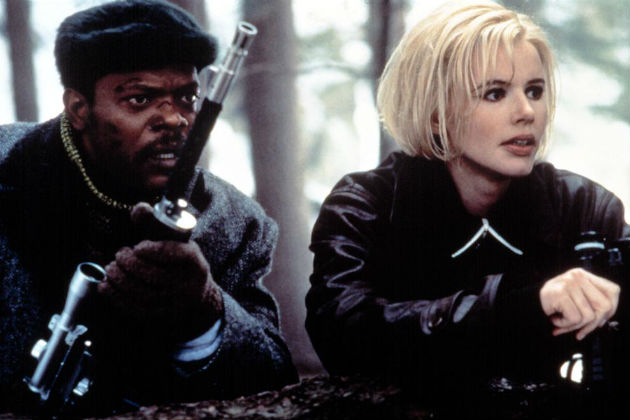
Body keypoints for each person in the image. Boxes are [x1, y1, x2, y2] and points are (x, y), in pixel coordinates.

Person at [306, 1, 629, 417]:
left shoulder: (583, 206)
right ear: (436, 113)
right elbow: (342, 332)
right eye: (495, 93)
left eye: (534, 91)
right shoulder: (367, 205)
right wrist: (520, 306)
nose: (526, 112)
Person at [0, 0, 297, 416]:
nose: (175, 120)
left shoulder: (237, 224)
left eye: (187, 97)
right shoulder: (7, 166)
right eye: (140, 99)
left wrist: (205, 311)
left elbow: (274, 383)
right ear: (79, 109)